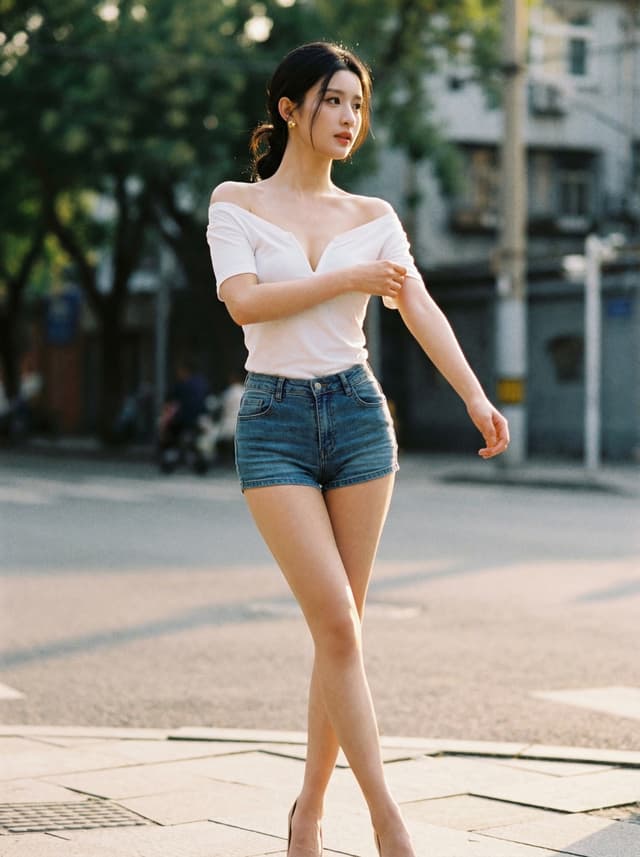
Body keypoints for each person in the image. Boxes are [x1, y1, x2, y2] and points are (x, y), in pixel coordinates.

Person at [206, 41, 509, 857]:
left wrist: (475, 393)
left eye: (356, 105)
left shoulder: (373, 216)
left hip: (357, 416)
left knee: (340, 631)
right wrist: (344, 281)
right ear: (289, 109)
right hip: (272, 421)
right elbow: (246, 305)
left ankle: (308, 811)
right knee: (336, 618)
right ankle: (388, 821)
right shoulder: (234, 203)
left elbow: (420, 307)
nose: (348, 118)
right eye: (332, 101)